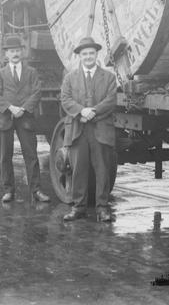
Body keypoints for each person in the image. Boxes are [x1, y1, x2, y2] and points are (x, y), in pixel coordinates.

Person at [60, 36, 117, 222]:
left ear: (97, 54)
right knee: (78, 169)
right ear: (79, 56)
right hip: (78, 129)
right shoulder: (70, 78)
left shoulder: (109, 77)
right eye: (84, 54)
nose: (88, 57)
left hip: (100, 129)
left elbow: (110, 100)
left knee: (102, 169)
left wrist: (93, 112)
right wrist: (81, 111)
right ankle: (78, 207)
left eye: (91, 53)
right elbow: (66, 100)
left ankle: (102, 208)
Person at [0, 35, 50, 204]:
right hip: (5, 117)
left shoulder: (31, 72)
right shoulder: (0, 74)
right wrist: (11, 108)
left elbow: (37, 92)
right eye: (11, 51)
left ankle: (36, 191)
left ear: (22, 52)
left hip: (25, 118)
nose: (15, 53)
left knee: (31, 155)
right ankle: (9, 191)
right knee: (5, 156)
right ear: (6, 55)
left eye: (17, 50)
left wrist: (23, 109)